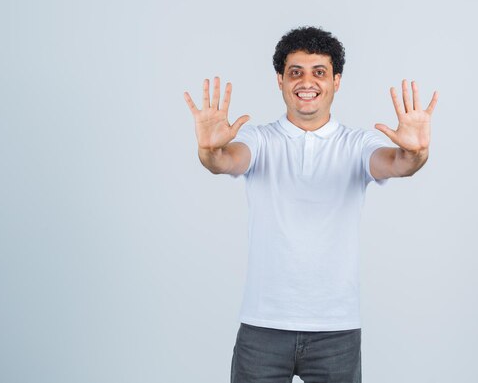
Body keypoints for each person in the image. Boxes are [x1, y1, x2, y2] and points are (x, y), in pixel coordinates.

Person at [184, 26, 438, 383]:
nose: (307, 82)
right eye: (296, 72)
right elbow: (226, 161)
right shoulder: (259, 139)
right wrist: (210, 151)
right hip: (263, 327)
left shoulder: (356, 143)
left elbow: (396, 164)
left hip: (336, 330)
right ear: (280, 80)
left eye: (319, 72)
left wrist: (416, 154)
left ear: (336, 80)